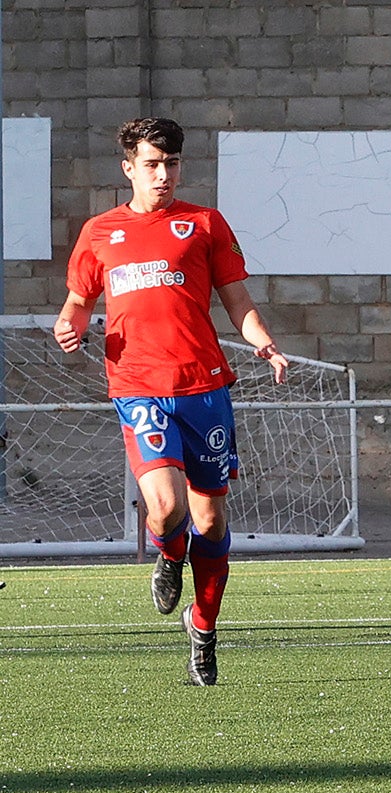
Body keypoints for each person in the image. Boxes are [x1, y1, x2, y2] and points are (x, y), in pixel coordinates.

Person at [55, 117, 289, 686]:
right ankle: (167, 554)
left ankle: (202, 629)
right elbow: (79, 301)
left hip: (204, 387)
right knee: (163, 507)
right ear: (129, 168)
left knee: (209, 518)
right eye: (152, 164)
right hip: (137, 385)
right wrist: (69, 326)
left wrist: (263, 342)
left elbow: (237, 299)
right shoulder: (99, 232)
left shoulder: (204, 223)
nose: (163, 174)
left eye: (173, 164)